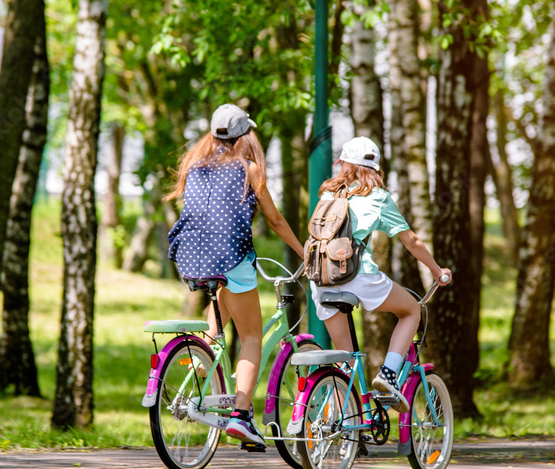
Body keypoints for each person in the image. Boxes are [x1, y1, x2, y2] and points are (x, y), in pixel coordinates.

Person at [166, 104, 305, 447]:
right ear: (246, 135)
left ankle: (197, 371)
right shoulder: (250, 168)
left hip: (192, 257)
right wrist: (306, 253)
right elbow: (275, 221)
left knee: (215, 329)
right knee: (252, 338)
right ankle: (241, 416)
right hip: (231, 257)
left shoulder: (195, 165)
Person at [308, 136, 450, 413]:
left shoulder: (327, 195)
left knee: (345, 362)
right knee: (411, 310)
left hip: (321, 279)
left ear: (344, 164)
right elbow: (411, 241)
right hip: (358, 276)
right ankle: (387, 375)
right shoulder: (378, 197)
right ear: (374, 169)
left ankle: (344, 427)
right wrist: (437, 270)